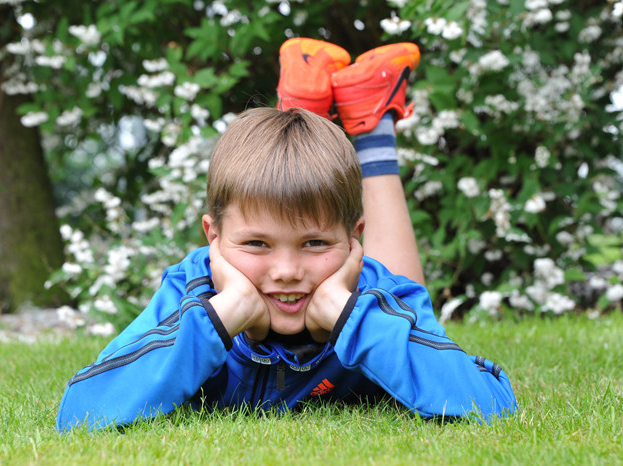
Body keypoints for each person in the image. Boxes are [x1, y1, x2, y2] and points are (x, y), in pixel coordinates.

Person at [56, 38, 516, 432]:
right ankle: (316, 113)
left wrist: (348, 313)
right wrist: (224, 316)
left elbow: (493, 404)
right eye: (256, 244)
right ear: (211, 238)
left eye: (315, 244)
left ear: (356, 241)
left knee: (386, 277)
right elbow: (79, 411)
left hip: (359, 281)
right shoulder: (193, 290)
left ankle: (369, 127)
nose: (287, 272)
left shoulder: (373, 294)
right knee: (292, 194)